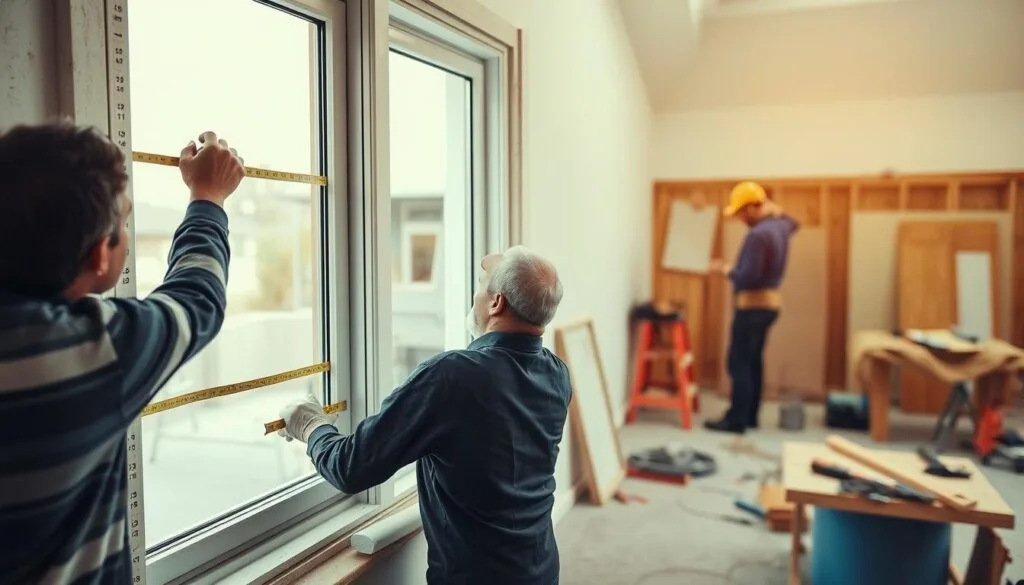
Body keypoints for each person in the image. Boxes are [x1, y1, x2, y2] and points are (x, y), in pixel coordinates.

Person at [0, 123, 245, 584]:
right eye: (125, 221)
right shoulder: (89, 354)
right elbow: (197, 301)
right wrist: (208, 197)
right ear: (99, 256)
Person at [278, 246, 571, 585]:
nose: (474, 295)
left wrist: (311, 425)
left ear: (496, 303)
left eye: (481, 284)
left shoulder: (451, 376)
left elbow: (351, 467)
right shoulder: (557, 375)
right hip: (540, 571)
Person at [703, 181, 799, 434]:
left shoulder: (757, 235)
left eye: (742, 213)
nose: (741, 219)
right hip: (769, 307)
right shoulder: (779, 226)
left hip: (752, 306)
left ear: (754, 208)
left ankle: (736, 420)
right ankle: (750, 416)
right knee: (754, 360)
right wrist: (774, 209)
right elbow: (794, 223)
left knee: (739, 361)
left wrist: (724, 270)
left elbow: (747, 277)